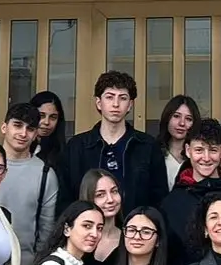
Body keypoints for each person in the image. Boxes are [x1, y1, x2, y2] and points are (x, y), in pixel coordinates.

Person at [54, 71, 166, 214]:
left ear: (130, 105)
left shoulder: (147, 146)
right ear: (99, 102)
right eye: (109, 97)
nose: (115, 104)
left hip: (135, 232)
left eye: (123, 98)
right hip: (88, 232)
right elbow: (65, 199)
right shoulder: (77, 147)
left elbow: (159, 199)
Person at [0, 101, 59, 260]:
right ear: (4, 127)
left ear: (36, 135)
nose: (23, 133)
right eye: (17, 125)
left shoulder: (45, 174)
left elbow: (46, 231)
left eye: (30, 129)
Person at [158, 119, 221, 264]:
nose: (206, 158)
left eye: (213, 150)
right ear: (187, 150)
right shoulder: (171, 203)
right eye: (199, 150)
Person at [80, 170, 125, 265]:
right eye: (100, 195)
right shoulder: (77, 238)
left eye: (114, 191)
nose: (110, 200)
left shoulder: (130, 238)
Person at [155, 94, 199, 190]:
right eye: (176, 116)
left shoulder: (198, 156)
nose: (182, 123)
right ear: (167, 118)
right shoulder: (153, 152)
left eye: (188, 119)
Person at [29, 90, 67, 170]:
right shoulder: (19, 146)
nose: (46, 122)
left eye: (53, 117)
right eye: (41, 115)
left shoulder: (65, 154)